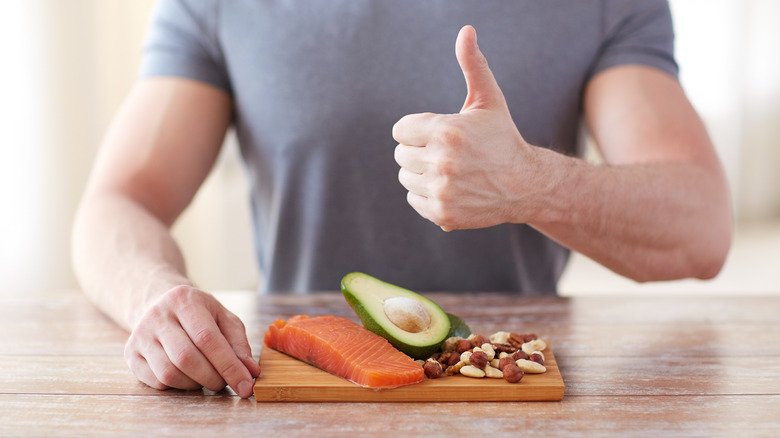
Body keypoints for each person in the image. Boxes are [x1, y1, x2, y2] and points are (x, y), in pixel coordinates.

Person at [72, 0, 732, 399]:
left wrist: (532, 181)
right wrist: (153, 298)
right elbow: (121, 201)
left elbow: (701, 227)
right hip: (299, 390)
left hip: (509, 394)